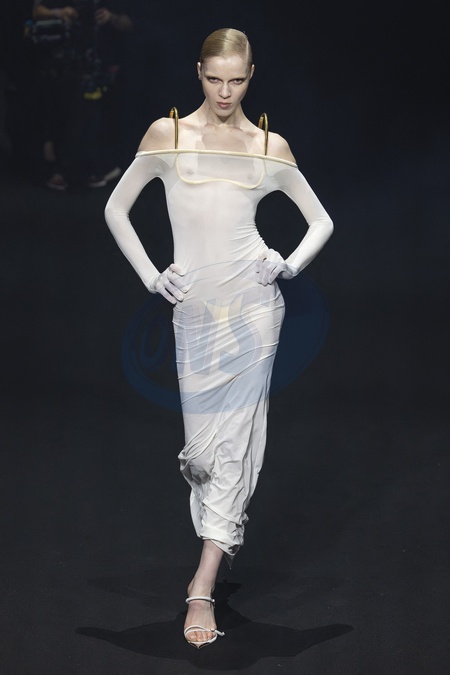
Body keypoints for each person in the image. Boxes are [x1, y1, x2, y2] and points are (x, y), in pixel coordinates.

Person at [104, 27, 333, 649]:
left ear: (251, 75)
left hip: (254, 311)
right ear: (198, 73)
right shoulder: (169, 135)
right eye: (214, 79)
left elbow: (320, 220)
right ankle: (215, 538)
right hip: (196, 314)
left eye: (236, 80)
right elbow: (115, 209)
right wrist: (152, 277)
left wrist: (287, 264)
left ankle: (202, 584)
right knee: (203, 456)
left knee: (235, 446)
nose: (225, 92)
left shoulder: (267, 147)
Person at [31, 0, 132, 189]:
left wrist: (111, 17)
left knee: (95, 118)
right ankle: (64, 170)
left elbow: (131, 23)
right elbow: (37, 11)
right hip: (64, 64)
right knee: (64, 114)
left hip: (102, 66)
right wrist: (59, 13)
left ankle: (96, 168)